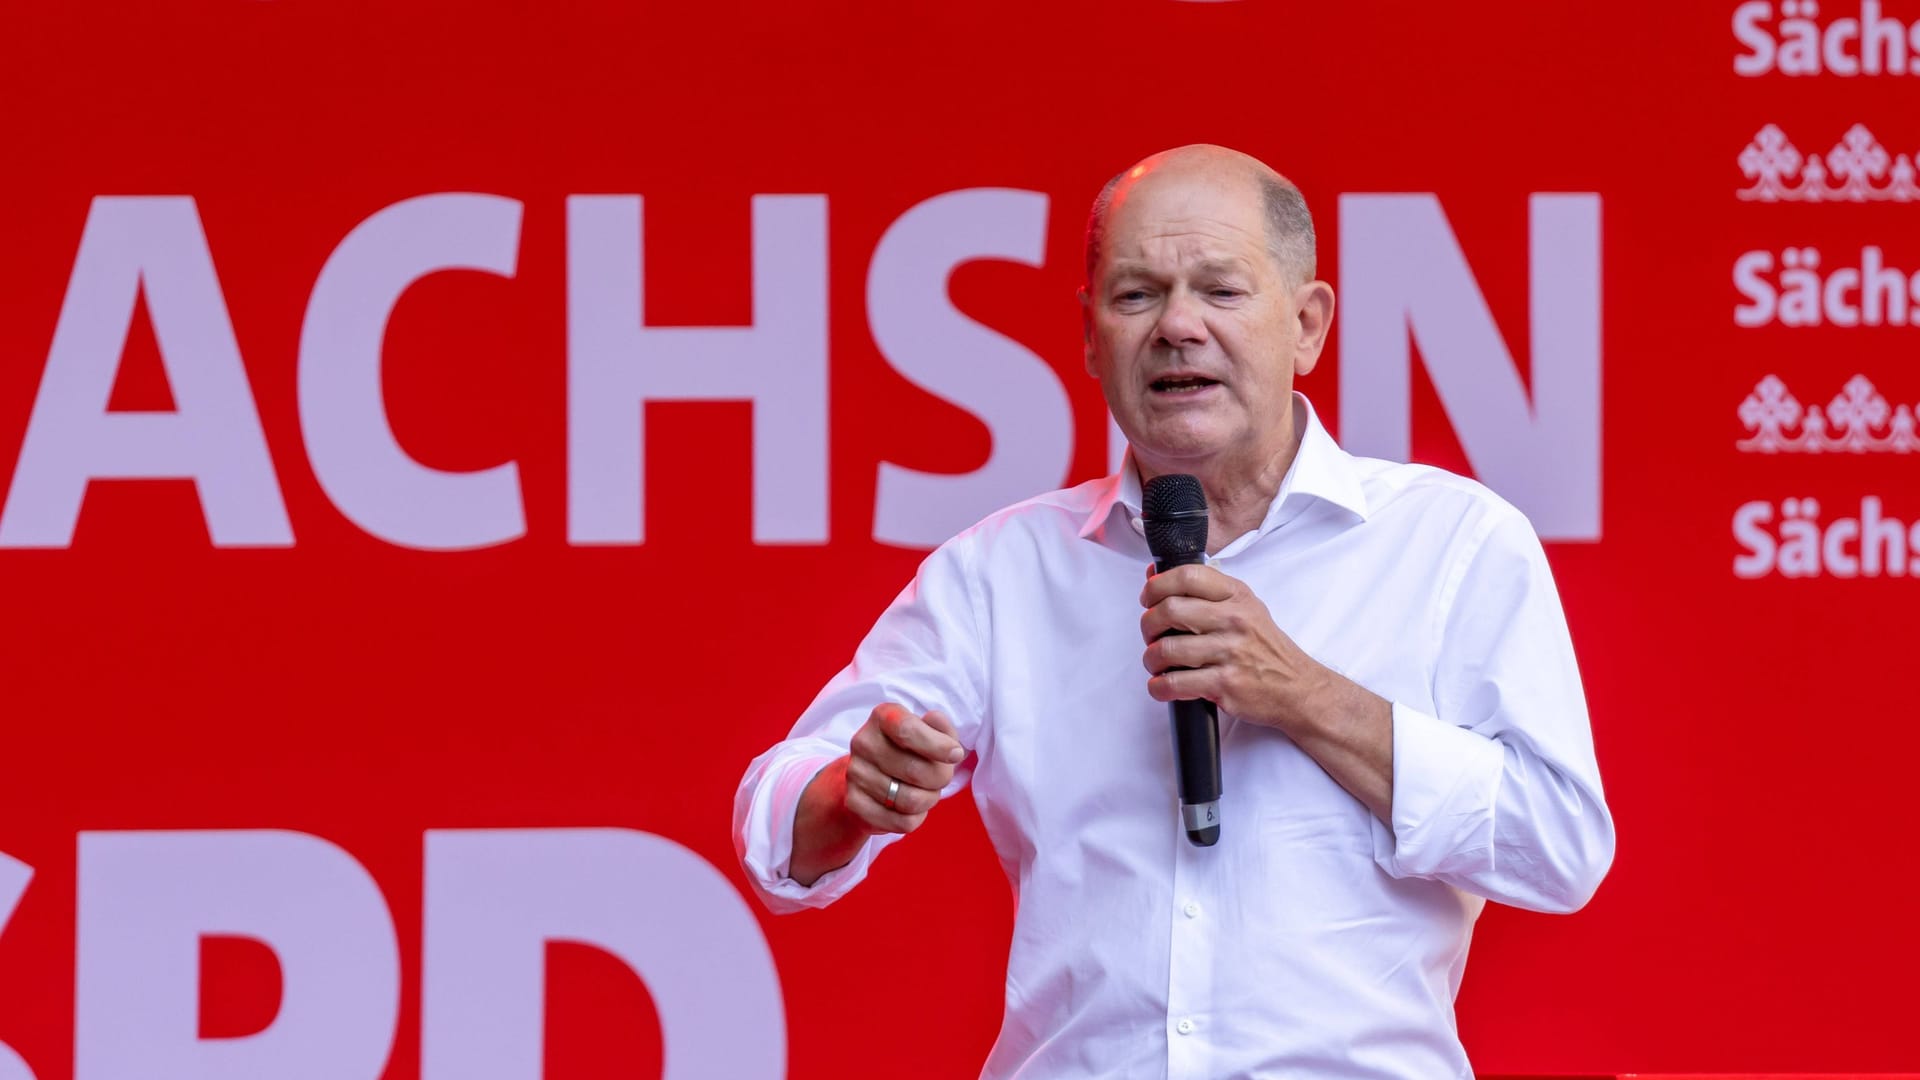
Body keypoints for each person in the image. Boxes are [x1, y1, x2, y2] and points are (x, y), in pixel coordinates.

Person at [733, 144, 1614, 1079]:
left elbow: (1557, 848)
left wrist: (1306, 696)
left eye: (1222, 291)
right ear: (1088, 337)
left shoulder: (1452, 543)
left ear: (1307, 326)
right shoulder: (1005, 570)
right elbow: (777, 814)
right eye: (1136, 295)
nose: (1177, 326)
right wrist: (848, 795)